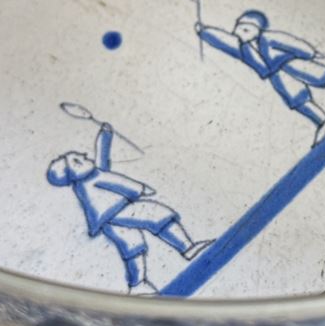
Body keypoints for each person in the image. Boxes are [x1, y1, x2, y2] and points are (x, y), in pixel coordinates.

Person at [46, 122, 210, 294]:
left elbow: (102, 157)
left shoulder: (93, 174)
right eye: (79, 161)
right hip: (115, 212)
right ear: (74, 174)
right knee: (157, 215)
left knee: (133, 246)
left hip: (110, 219)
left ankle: (138, 285)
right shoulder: (90, 183)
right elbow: (119, 182)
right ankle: (187, 247)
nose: (86, 156)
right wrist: (140, 189)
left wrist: (105, 134)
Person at [197, 9, 325, 144]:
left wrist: (310, 52)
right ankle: (323, 122)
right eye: (237, 27)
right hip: (278, 76)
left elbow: (291, 43)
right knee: (298, 101)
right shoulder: (243, 49)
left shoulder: (269, 38)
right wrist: (203, 32)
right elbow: (222, 40)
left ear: (257, 29)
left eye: (244, 28)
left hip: (292, 64)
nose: (237, 32)